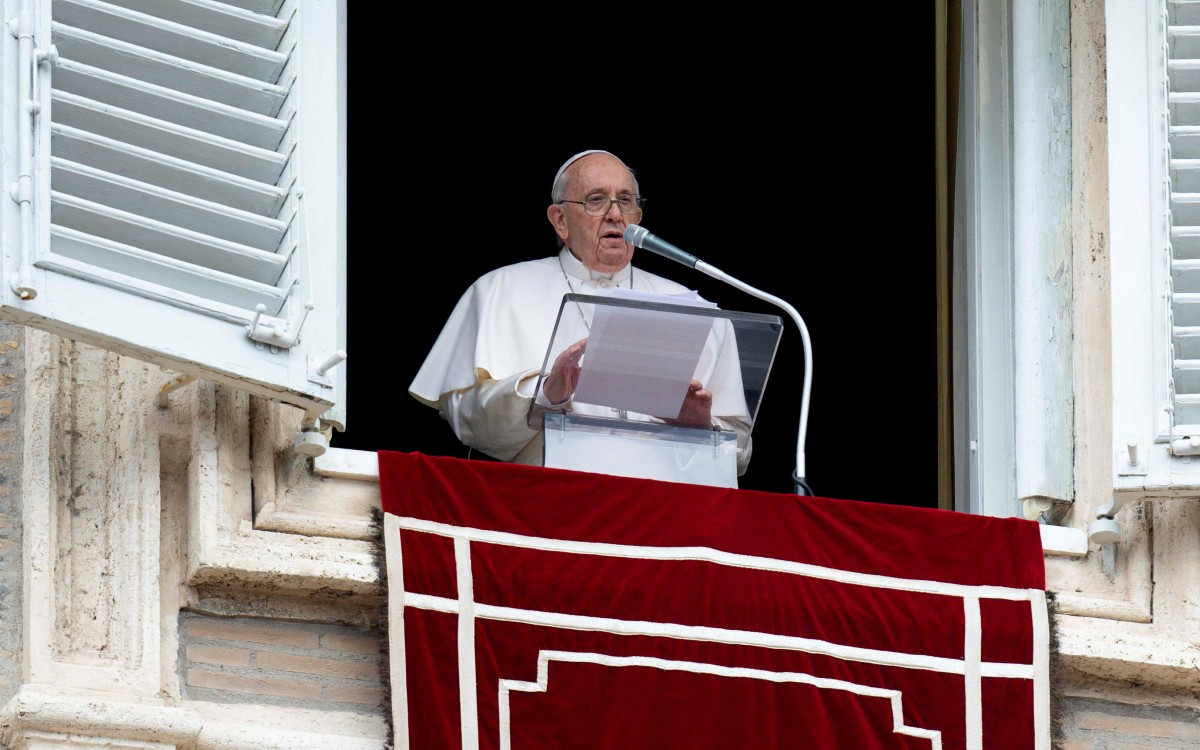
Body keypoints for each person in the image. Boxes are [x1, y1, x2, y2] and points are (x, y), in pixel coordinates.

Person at [408, 149, 753, 476]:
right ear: (560, 220)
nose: (615, 214)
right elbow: (468, 421)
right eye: (596, 200)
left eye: (626, 201)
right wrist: (546, 393)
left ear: (638, 217)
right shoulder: (501, 289)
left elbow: (740, 453)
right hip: (550, 508)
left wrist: (701, 428)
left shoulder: (688, 305)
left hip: (667, 510)